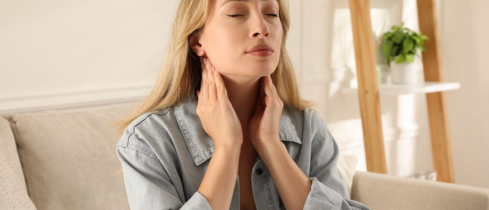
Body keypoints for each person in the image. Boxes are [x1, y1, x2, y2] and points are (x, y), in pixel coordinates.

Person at [113, 0, 371, 209]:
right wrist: (227, 146)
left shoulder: (309, 129)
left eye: (271, 13)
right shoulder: (147, 142)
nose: (262, 27)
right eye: (236, 13)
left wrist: (271, 145)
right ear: (197, 40)